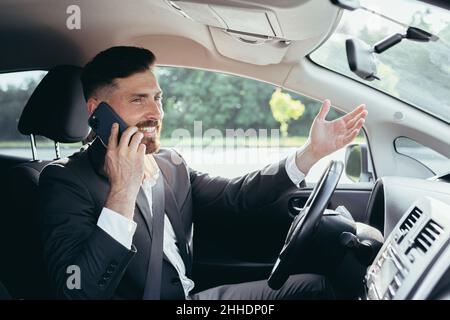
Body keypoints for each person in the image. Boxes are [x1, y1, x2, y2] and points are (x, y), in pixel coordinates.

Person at [39, 46, 367, 300]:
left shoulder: (170, 163)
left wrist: (310, 154)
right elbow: (77, 291)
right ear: (98, 111)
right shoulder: (65, 182)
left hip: (191, 297)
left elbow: (237, 197)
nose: (155, 112)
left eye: (158, 98)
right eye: (138, 100)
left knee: (317, 287)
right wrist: (123, 189)